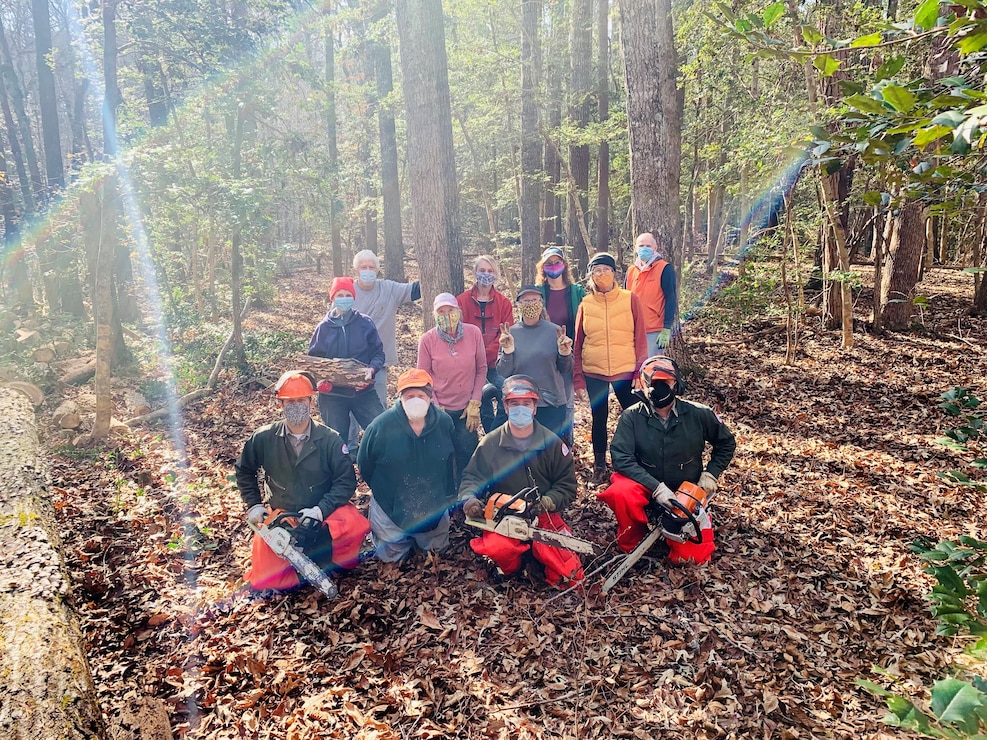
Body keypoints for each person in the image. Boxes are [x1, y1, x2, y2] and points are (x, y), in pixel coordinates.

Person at [236, 370, 371, 593]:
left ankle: (333, 559)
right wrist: (254, 504)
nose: (296, 406)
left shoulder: (330, 439)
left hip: (322, 513)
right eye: (290, 402)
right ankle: (290, 570)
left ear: (311, 401)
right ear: (281, 404)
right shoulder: (263, 438)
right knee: (266, 581)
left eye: (301, 400)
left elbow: (346, 482)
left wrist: (320, 510)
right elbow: (244, 470)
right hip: (282, 514)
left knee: (354, 524)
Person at [598, 356, 736, 563]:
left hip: (685, 488)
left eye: (665, 383)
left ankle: (682, 537)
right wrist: (656, 487)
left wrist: (711, 473)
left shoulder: (699, 414)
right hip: (646, 484)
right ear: (644, 385)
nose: (658, 389)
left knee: (692, 558)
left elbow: (726, 443)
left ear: (676, 384)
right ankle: (632, 538)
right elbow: (621, 458)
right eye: (653, 384)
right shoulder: (632, 417)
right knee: (621, 492)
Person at [459, 376, 584, 588]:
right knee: (499, 548)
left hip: (542, 516)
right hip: (503, 516)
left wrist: (548, 502)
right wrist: (470, 500)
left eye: (526, 403)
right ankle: (512, 568)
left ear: (535, 407)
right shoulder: (491, 442)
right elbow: (472, 477)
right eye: (514, 403)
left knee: (569, 574)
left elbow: (567, 485)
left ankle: (543, 564)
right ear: (505, 407)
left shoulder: (552, 443)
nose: (521, 409)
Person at [358, 369, 457, 563]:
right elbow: (365, 465)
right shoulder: (379, 427)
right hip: (391, 506)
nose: (415, 400)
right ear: (400, 398)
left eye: (420, 395)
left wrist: (446, 495)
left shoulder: (445, 423)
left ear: (430, 397)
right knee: (391, 559)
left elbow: (451, 462)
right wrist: (385, 492)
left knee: (438, 553)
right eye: (409, 395)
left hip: (432, 504)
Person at [573, 252, 648, 482]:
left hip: (625, 369)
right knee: (599, 417)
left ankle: (641, 458)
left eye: (606, 269)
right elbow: (578, 341)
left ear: (614, 273)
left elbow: (640, 336)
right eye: (596, 271)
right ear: (591, 276)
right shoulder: (585, 303)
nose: (601, 274)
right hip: (594, 370)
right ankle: (599, 464)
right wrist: (578, 377)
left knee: (636, 413)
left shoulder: (629, 298)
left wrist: (639, 370)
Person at [349, 250, 421, 445]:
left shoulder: (388, 289)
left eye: (371, 267)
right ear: (356, 270)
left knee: (377, 406)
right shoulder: (348, 292)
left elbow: (415, 290)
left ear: (378, 269)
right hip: (349, 363)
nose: (367, 270)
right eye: (363, 267)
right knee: (349, 410)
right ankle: (351, 449)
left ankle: (379, 445)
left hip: (378, 362)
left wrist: (430, 261)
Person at [309, 277, 386, 457]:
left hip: (363, 392)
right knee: (336, 442)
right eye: (340, 295)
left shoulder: (365, 323)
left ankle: (379, 469)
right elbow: (314, 361)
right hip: (332, 396)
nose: (344, 298)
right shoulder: (323, 328)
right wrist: (321, 380)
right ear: (333, 298)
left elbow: (378, 353)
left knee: (383, 431)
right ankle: (342, 478)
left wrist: (372, 369)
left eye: (347, 295)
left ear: (353, 297)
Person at [417, 293, 487, 483]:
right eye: (441, 311)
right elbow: (423, 378)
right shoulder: (427, 340)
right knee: (442, 456)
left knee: (467, 452)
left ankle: (466, 494)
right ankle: (445, 496)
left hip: (466, 409)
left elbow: (482, 369)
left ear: (459, 312)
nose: (447, 315)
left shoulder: (473, 333)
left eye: (451, 310)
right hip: (440, 409)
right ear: (434, 314)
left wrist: (475, 402)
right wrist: (435, 406)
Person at [497, 285, 573, 443]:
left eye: (535, 300)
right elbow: (504, 372)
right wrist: (508, 351)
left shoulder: (555, 331)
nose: (530, 304)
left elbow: (566, 368)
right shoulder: (510, 334)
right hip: (520, 403)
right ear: (518, 304)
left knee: (550, 450)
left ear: (541, 303)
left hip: (550, 403)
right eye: (526, 300)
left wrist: (565, 353)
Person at [457, 255, 514, 433]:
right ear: (475, 273)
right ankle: (489, 439)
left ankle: (494, 435)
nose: (486, 275)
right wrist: (473, 358)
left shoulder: (504, 303)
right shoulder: (462, 301)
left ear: (496, 275)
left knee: (508, 393)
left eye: (490, 271)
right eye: (482, 271)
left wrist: (485, 355)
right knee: (480, 398)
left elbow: (506, 334)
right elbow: (459, 333)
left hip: (495, 364)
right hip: (469, 366)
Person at [535, 247, 585, 444]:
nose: (553, 267)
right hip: (544, 354)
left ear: (564, 266)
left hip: (568, 353)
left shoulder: (576, 292)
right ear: (543, 268)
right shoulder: (537, 292)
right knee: (544, 400)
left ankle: (566, 444)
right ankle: (544, 444)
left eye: (557, 262)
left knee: (566, 400)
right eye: (549, 264)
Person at [625, 233, 678, 353]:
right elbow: (625, 298)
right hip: (632, 329)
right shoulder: (631, 270)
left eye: (648, 246)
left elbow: (671, 298)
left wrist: (666, 328)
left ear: (655, 248)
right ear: (636, 248)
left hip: (654, 330)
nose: (644, 248)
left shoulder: (664, 268)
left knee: (649, 366)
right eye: (641, 245)